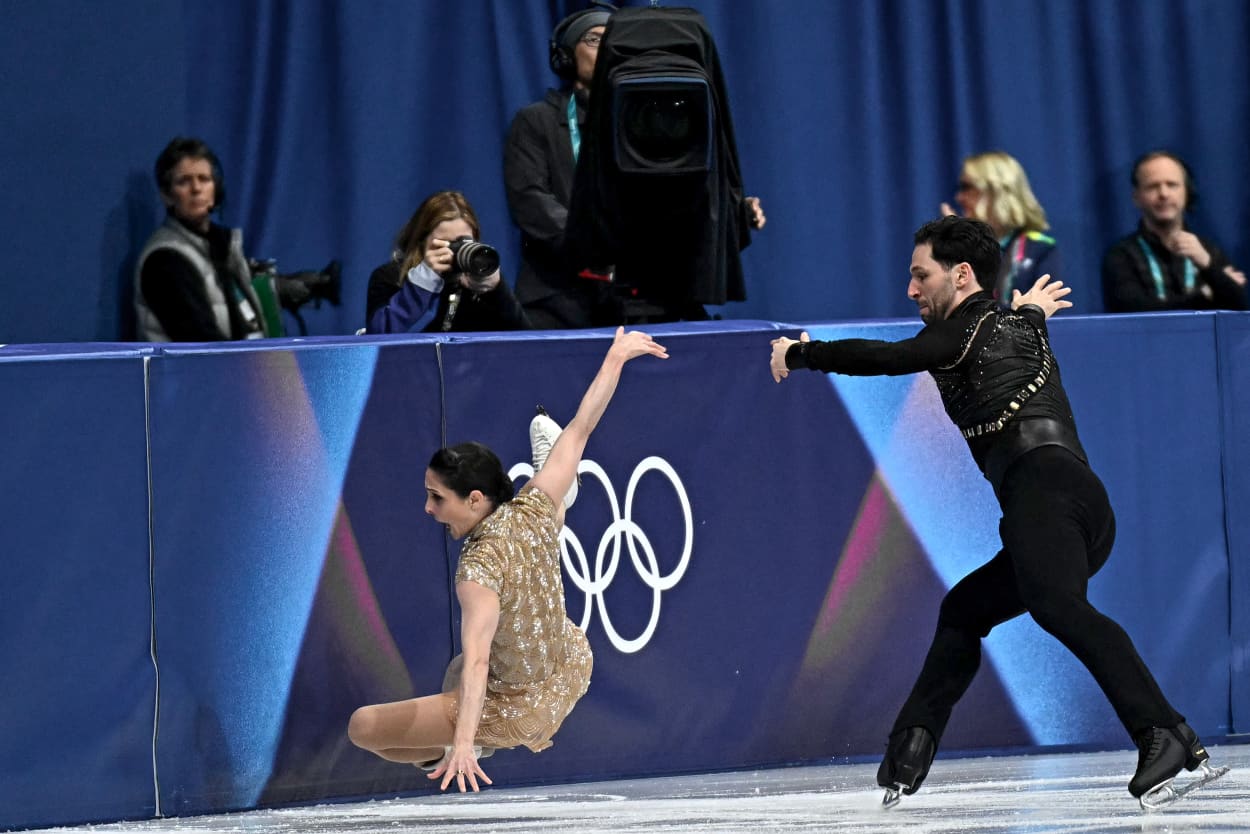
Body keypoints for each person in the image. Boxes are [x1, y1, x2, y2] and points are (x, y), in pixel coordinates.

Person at [769, 215, 1226, 810]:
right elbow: (1022, 324)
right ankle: (912, 746)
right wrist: (1032, 309)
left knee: (1059, 607)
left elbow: (886, 357)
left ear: (960, 275)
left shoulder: (958, 334)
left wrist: (803, 353)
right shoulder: (1017, 323)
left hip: (1041, 493)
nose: (910, 290)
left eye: (919, 275)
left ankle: (1160, 734)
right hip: (1081, 505)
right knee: (966, 608)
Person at [347, 326, 669, 792]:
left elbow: (481, 663)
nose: (428, 509)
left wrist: (462, 743)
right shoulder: (530, 509)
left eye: (437, 498)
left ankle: (475, 744)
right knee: (459, 664)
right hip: (572, 664)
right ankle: (565, 492)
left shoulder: (476, 571)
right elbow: (580, 429)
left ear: (475, 499)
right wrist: (615, 358)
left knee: (365, 727)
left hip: (519, 708)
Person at [503, 3, 764, 328]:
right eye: (595, 40)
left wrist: (733, 211)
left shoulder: (651, 122)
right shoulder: (536, 121)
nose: (607, 49)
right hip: (563, 303)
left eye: (613, 41)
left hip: (652, 298)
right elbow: (531, 202)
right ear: (567, 55)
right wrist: (594, 248)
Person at [135, 136, 339, 341]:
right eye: (184, 181)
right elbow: (200, 345)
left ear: (216, 190)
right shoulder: (164, 259)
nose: (196, 189)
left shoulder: (218, 246)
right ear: (167, 195)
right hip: (203, 372)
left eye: (203, 179)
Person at [1102, 150, 1247, 312]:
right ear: (1137, 197)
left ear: (1187, 192)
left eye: (1172, 185)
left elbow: (1240, 309)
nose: (1163, 194)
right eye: (1153, 186)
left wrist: (1208, 264)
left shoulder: (1208, 250)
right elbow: (1132, 310)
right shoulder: (1120, 255)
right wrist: (1204, 295)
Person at [364, 191, 529, 334]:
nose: (455, 251)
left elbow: (527, 346)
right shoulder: (390, 277)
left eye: (464, 242)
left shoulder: (476, 285)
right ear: (421, 242)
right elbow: (380, 338)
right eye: (445, 243)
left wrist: (497, 291)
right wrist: (422, 284)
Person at [940, 151, 1060, 302]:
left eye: (967, 187)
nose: (959, 197)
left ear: (995, 193)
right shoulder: (954, 248)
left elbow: (1047, 317)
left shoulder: (1040, 249)